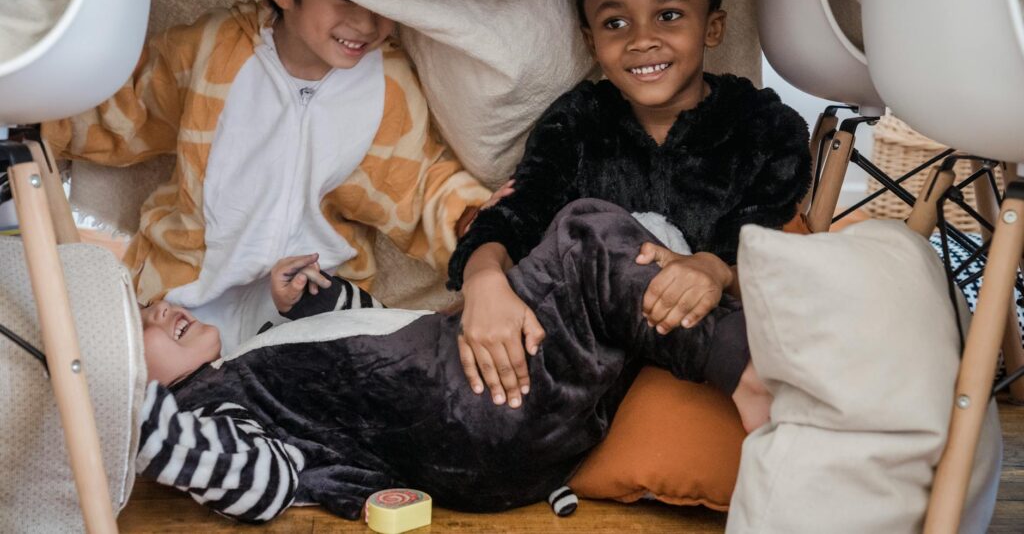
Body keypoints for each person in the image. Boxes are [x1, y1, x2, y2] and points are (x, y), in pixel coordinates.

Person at [42, 0, 491, 353]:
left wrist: (487, 234)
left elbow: (421, 188)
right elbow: (128, 107)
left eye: (383, 3)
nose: (366, 23)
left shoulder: (388, 87)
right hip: (180, 304)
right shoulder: (214, 50)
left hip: (305, 323)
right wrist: (39, 118)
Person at [137, 200, 747, 523]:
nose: (162, 310)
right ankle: (749, 372)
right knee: (586, 236)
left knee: (623, 247)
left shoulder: (249, 357)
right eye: (140, 327)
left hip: (494, 417)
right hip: (477, 412)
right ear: (131, 381)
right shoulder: (211, 409)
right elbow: (258, 483)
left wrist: (318, 300)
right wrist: (141, 420)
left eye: (151, 305)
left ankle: (724, 344)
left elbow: (378, 343)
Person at [447, 0, 811, 431]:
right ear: (590, 41)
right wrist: (483, 280)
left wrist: (712, 268)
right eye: (616, 23)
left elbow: (766, 237)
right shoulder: (576, 122)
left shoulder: (764, 126)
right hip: (578, 352)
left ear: (713, 27)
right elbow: (515, 214)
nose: (642, 40)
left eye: (668, 15)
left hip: (701, 343)